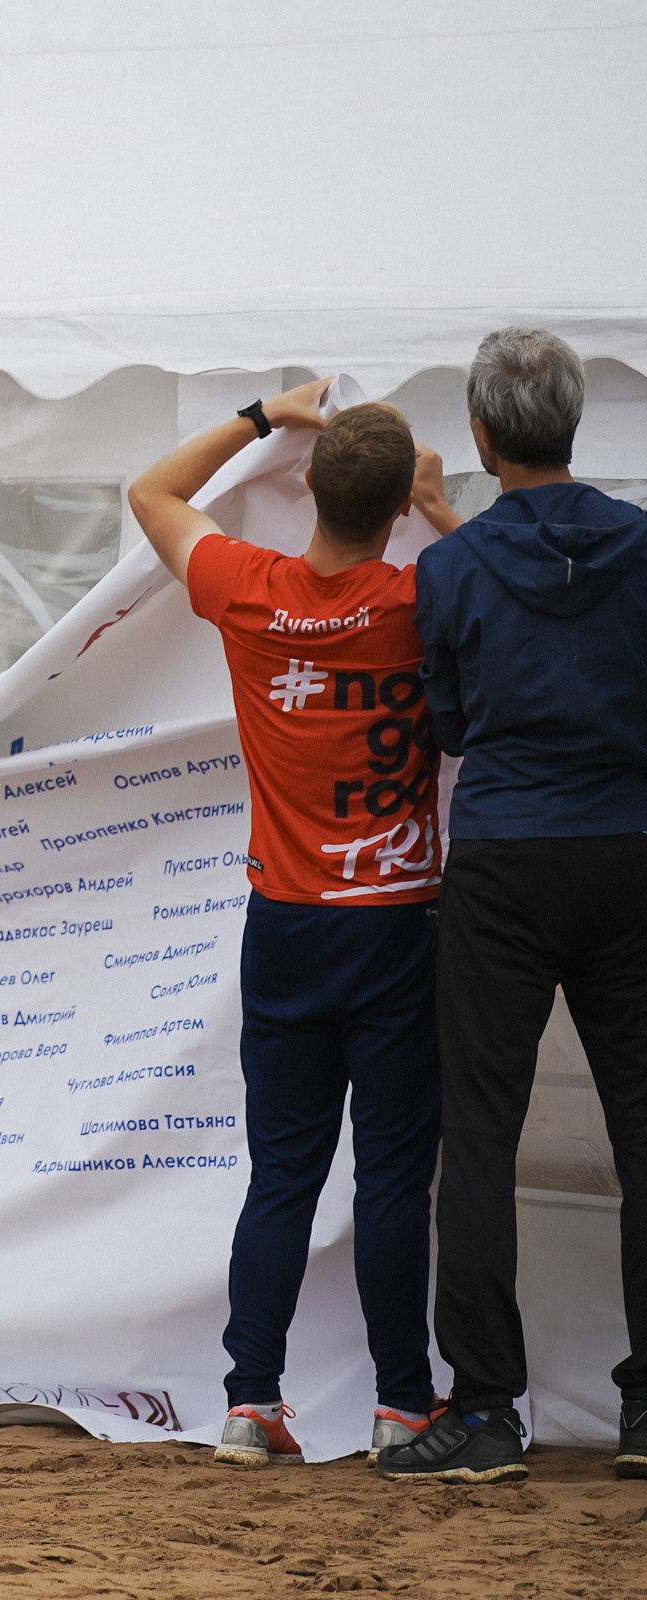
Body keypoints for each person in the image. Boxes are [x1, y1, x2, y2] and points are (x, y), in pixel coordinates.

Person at [129, 380, 454, 1468]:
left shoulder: (247, 587)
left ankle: (249, 1401)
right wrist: (444, 510)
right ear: (401, 504)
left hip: (287, 925)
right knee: (393, 1182)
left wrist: (267, 413)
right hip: (398, 926)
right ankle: (402, 1403)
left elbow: (152, 490)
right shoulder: (429, 595)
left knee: (282, 1176)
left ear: (307, 487)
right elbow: (519, 582)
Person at [378, 328, 647, 1486]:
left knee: (478, 1134)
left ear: (482, 438)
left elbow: (447, 727)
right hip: (630, 854)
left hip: (503, 859)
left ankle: (487, 1411)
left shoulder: (452, 570)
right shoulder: (643, 546)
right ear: (575, 425)